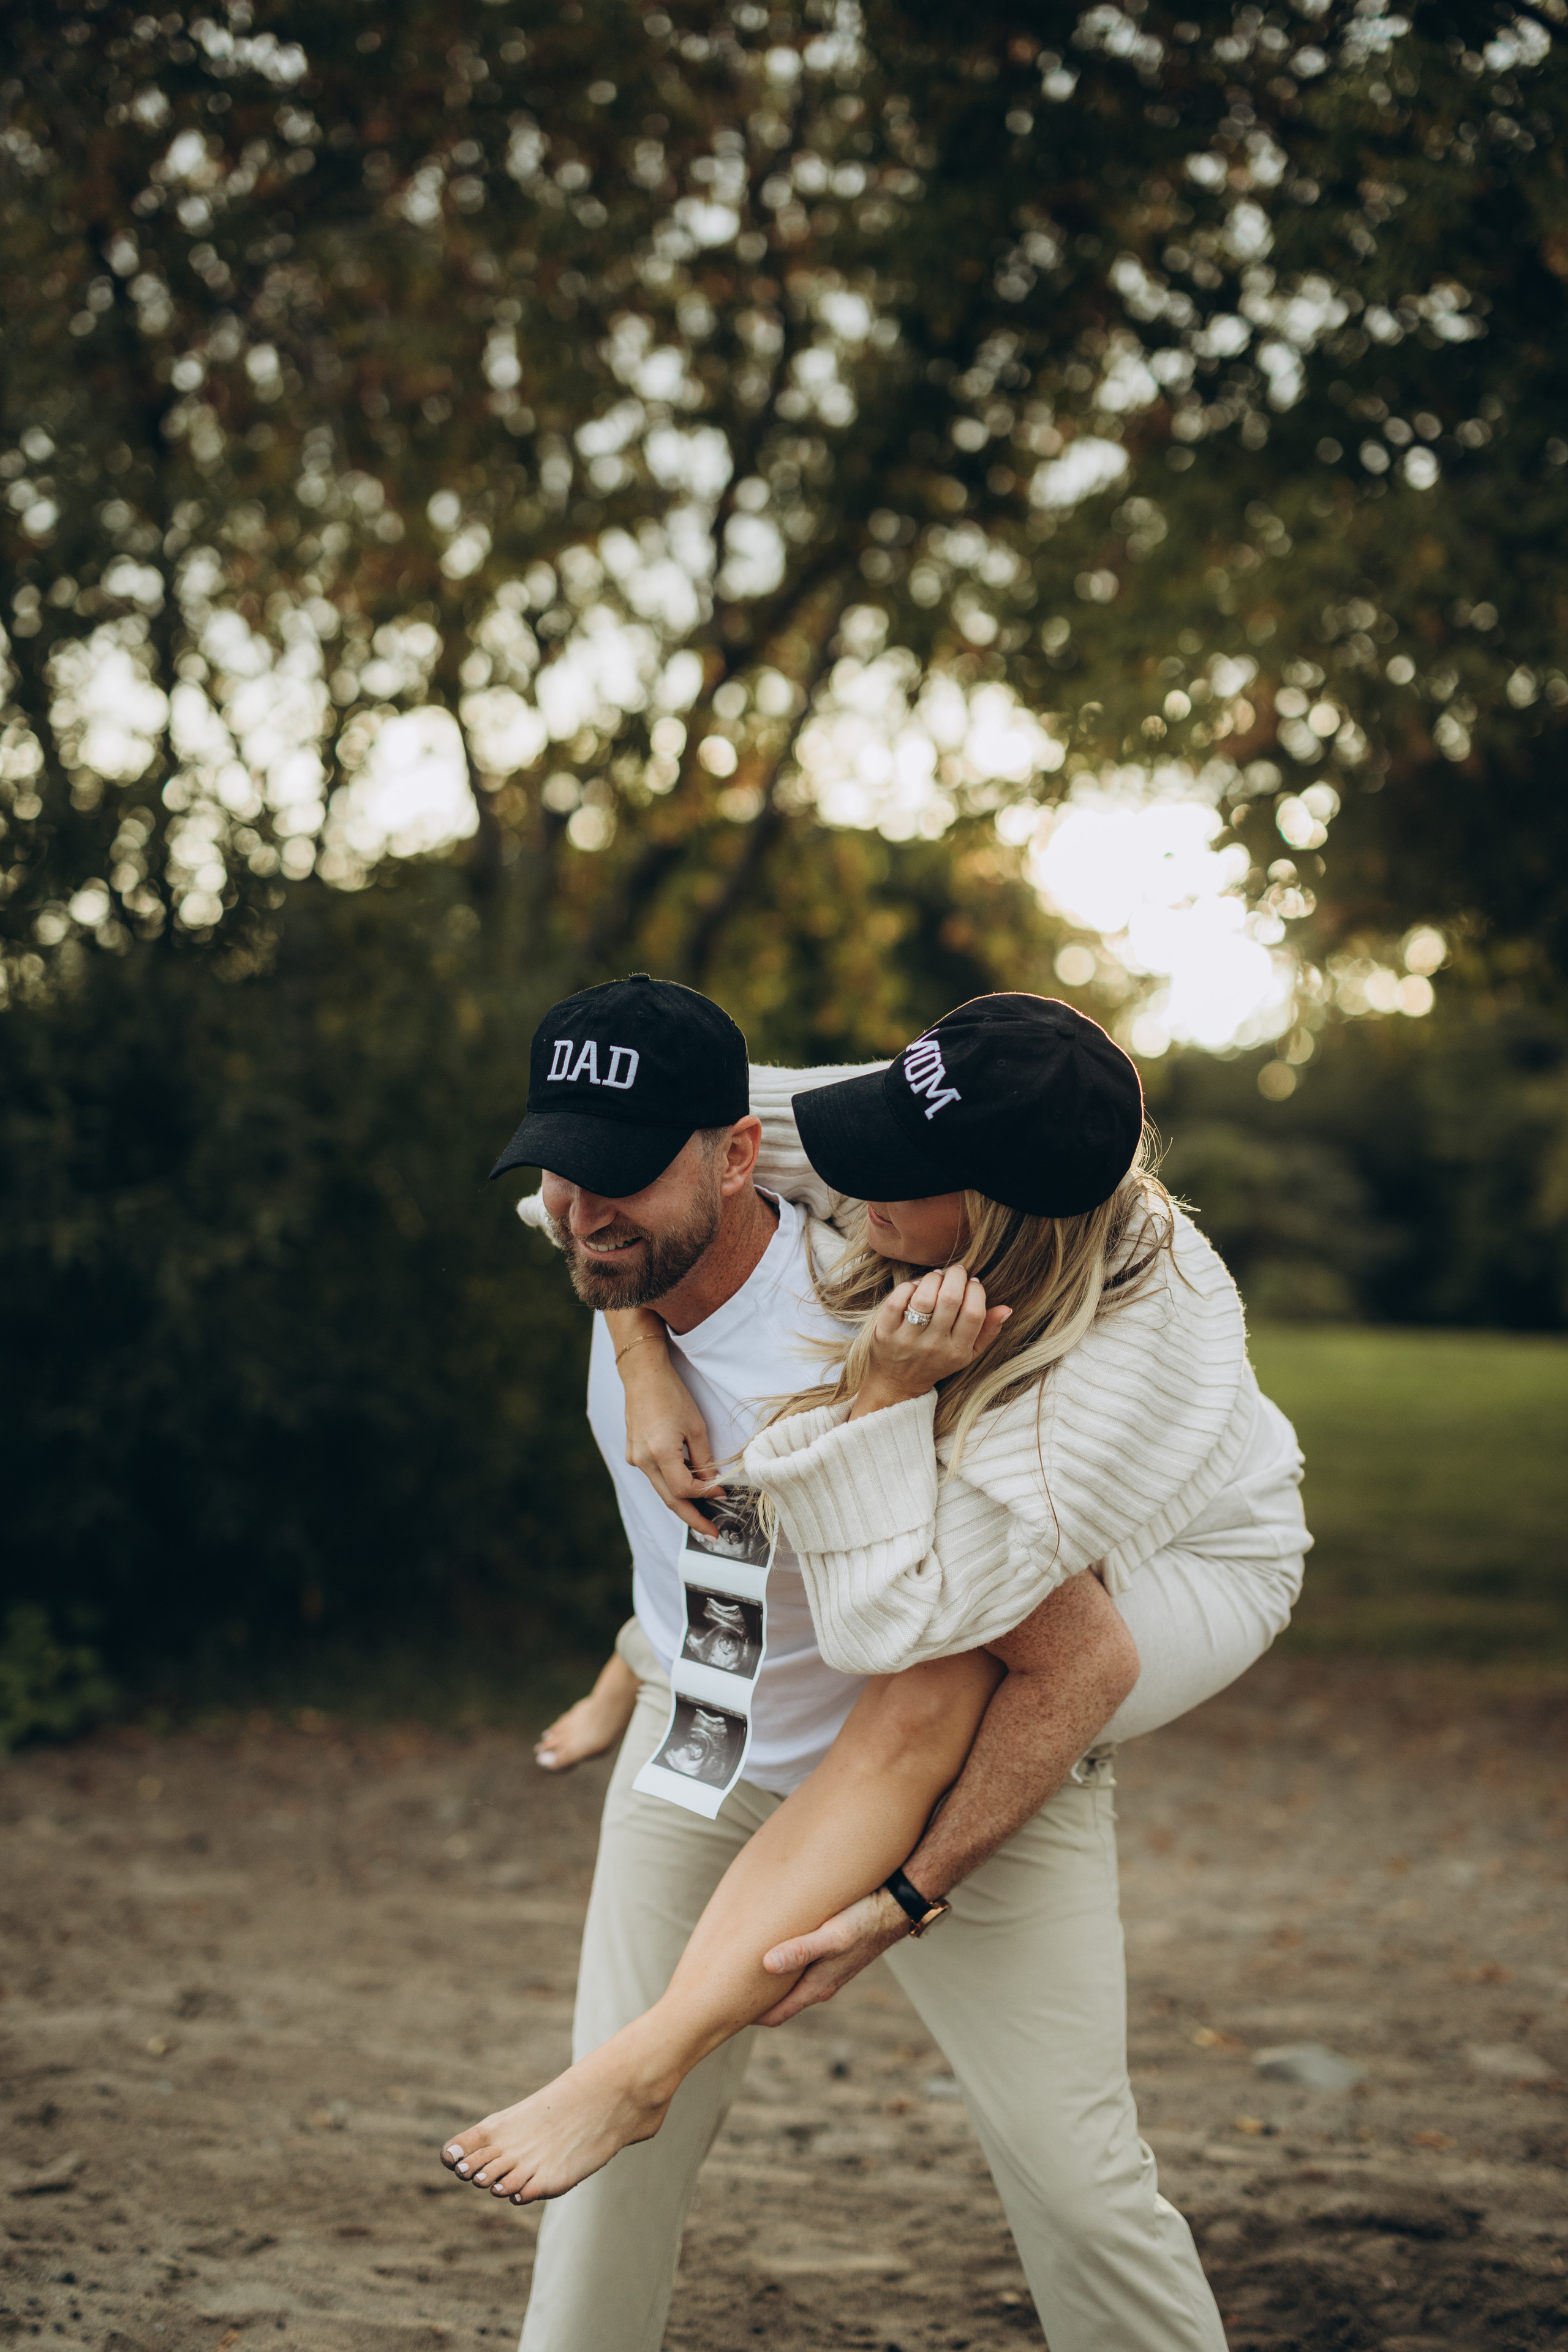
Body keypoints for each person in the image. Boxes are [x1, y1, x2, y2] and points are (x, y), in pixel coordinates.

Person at [448, 976, 1309, 2352]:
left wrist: (909, 1893)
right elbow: (591, 1224)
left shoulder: (930, 1339)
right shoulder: (628, 1246)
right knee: (603, 2171)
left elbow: (1065, 1660)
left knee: (1079, 2190)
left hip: (950, 1758)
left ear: (733, 1161)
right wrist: (636, 1339)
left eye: (612, 1181)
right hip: (711, 1736)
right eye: (561, 1169)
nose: (576, 1207)